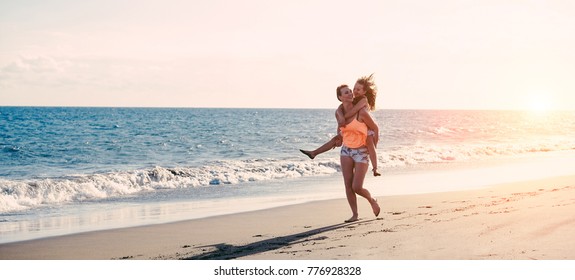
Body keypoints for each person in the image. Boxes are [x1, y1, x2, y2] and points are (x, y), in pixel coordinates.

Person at [300, 74, 381, 176]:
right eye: (354, 88)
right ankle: (314, 153)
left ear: (364, 92)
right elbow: (340, 108)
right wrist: (340, 120)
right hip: (356, 128)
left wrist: (343, 117)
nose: (355, 91)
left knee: (370, 145)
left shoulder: (363, 100)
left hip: (368, 128)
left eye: (358, 90)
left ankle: (375, 168)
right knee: (335, 139)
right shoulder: (353, 100)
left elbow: (354, 111)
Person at [335, 84, 381, 222]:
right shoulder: (340, 111)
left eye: (350, 91)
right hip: (347, 150)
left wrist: (375, 144)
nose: (350, 93)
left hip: (361, 151)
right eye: (346, 92)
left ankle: (371, 200)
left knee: (356, 187)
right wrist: (338, 135)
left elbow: (374, 127)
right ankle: (354, 215)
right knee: (348, 185)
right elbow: (341, 126)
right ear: (340, 97)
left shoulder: (361, 111)